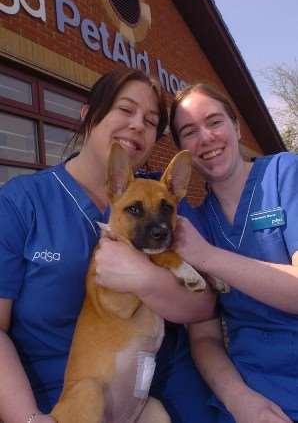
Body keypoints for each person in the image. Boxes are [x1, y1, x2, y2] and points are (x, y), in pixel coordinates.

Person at [0, 67, 216, 423]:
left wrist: (144, 278)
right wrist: (30, 419)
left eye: (150, 121)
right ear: (88, 115)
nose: (137, 125)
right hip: (65, 397)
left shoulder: (159, 198)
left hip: (163, 392)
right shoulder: (21, 202)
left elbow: (205, 304)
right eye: (125, 109)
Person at [168, 82, 298, 423]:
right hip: (253, 391)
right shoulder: (195, 220)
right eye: (189, 132)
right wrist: (239, 400)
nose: (206, 138)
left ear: (236, 127)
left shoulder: (284, 174)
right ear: (181, 148)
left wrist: (207, 256)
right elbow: (205, 336)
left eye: (214, 121)